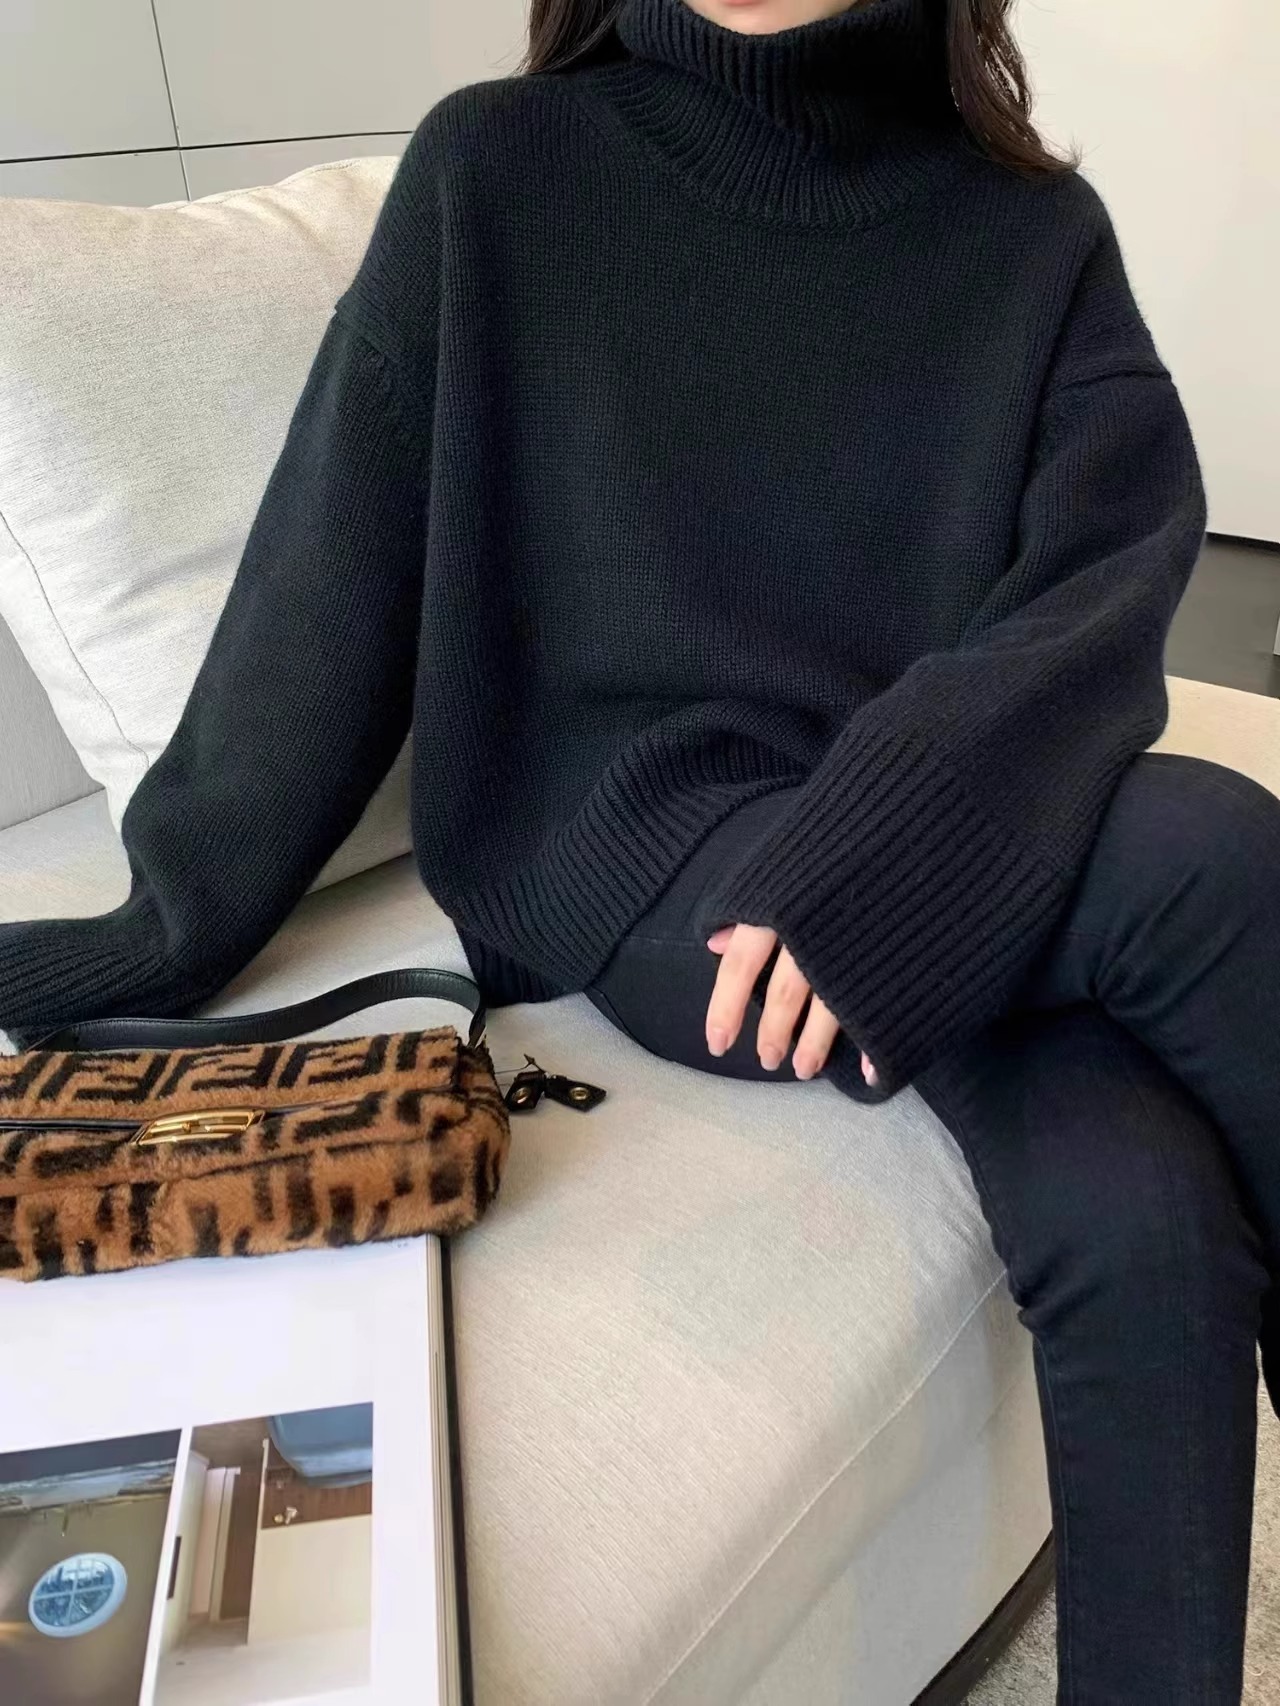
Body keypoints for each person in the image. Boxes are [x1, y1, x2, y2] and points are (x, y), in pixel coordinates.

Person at [1, 0, 1277, 1696]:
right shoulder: (502, 172)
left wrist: (898, 830)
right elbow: (327, 593)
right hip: (654, 853)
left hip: (930, 837)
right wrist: (157, 927)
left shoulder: (1030, 233)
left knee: (1143, 1210)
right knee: (1213, 843)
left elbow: (1104, 578)